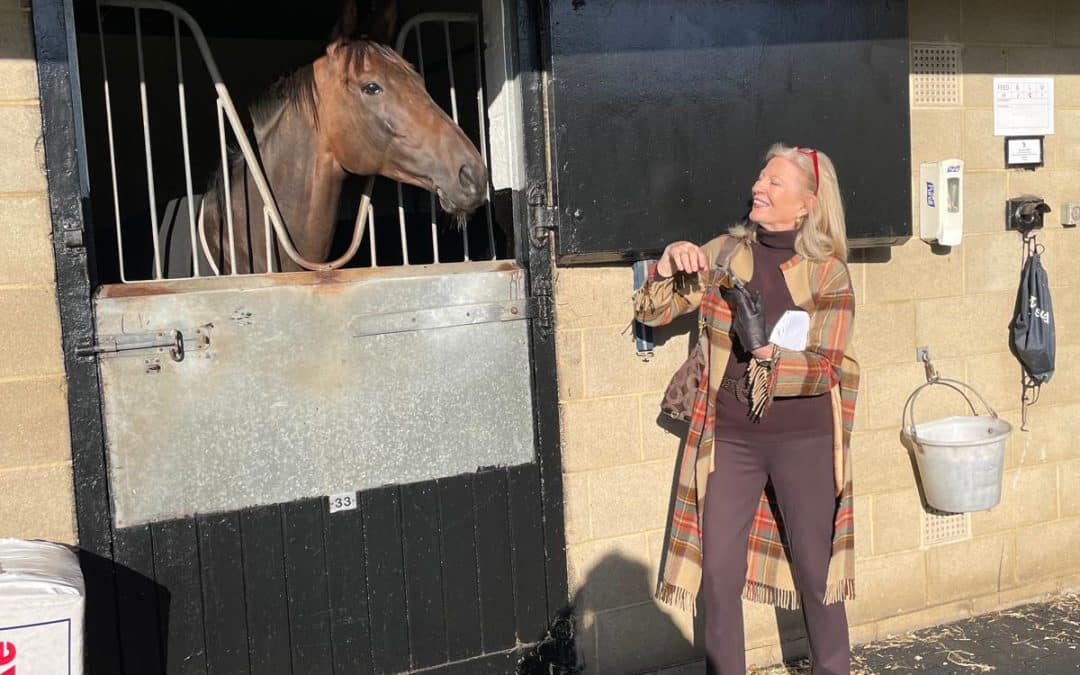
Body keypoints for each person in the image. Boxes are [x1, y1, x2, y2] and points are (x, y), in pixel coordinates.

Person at [633, 144, 859, 675]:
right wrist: (667, 263)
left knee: (816, 574)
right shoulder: (726, 252)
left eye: (775, 182)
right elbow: (653, 309)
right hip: (730, 439)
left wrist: (765, 353)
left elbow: (828, 368)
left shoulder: (828, 275)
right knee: (717, 575)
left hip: (804, 442)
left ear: (806, 204)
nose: (760, 186)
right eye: (761, 177)